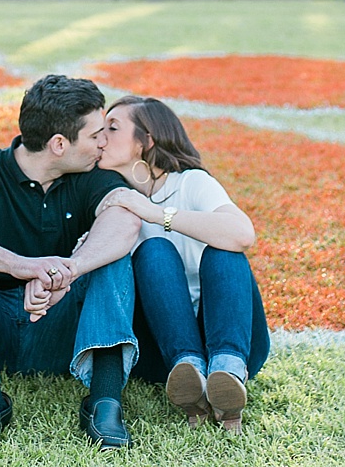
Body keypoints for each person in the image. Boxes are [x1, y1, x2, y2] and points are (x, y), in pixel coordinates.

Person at [0, 74, 158, 448]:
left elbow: (124, 222)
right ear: (59, 144)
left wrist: (68, 270)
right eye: (95, 136)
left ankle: (104, 401)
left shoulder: (91, 177)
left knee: (111, 254)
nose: (104, 142)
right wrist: (18, 265)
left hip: (63, 334)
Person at [98, 96, 271, 434]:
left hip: (231, 335)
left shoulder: (190, 182)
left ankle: (228, 372)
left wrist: (158, 215)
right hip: (164, 352)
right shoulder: (112, 198)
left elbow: (242, 233)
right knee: (155, 251)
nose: (100, 137)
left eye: (112, 128)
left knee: (223, 250)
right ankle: (190, 374)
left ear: (146, 141)